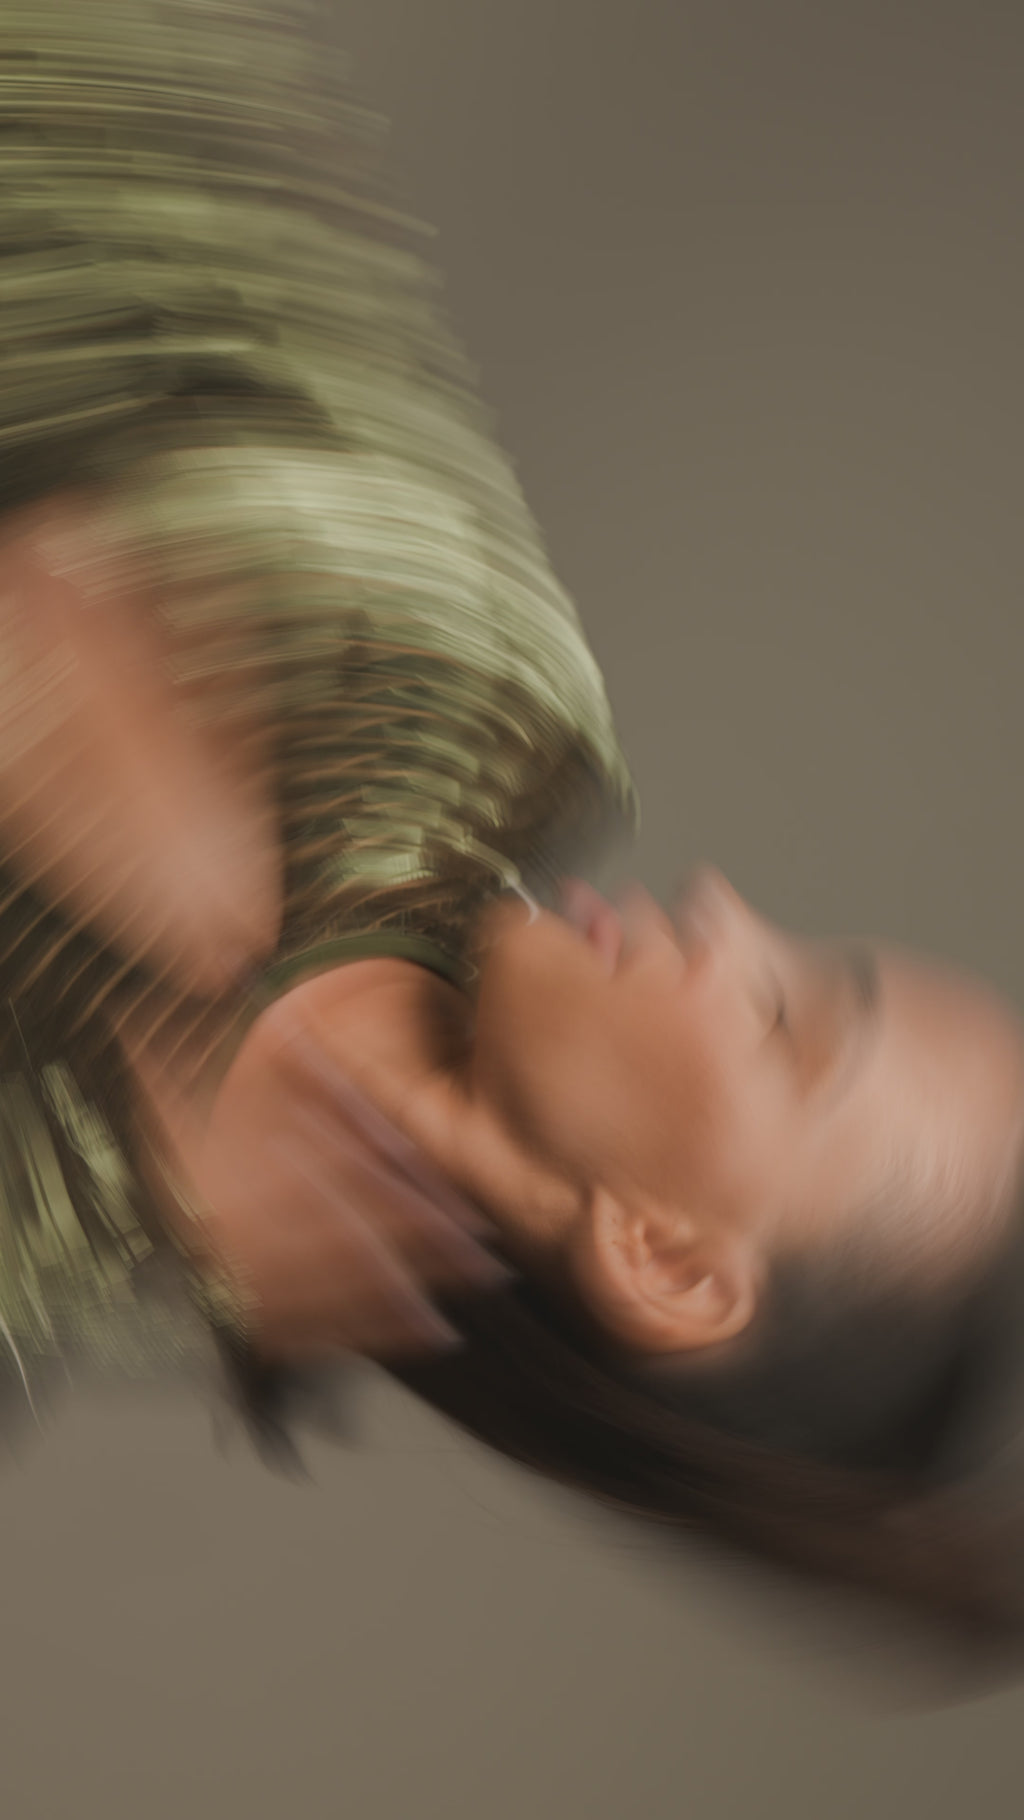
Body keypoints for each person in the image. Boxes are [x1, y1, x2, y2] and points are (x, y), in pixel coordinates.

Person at [3, 0, 1024, 1664]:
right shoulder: (470, 695)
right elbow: (109, 129)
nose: (726, 913)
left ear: (666, 1259)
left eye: (788, 1026)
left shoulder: (49, 1247)